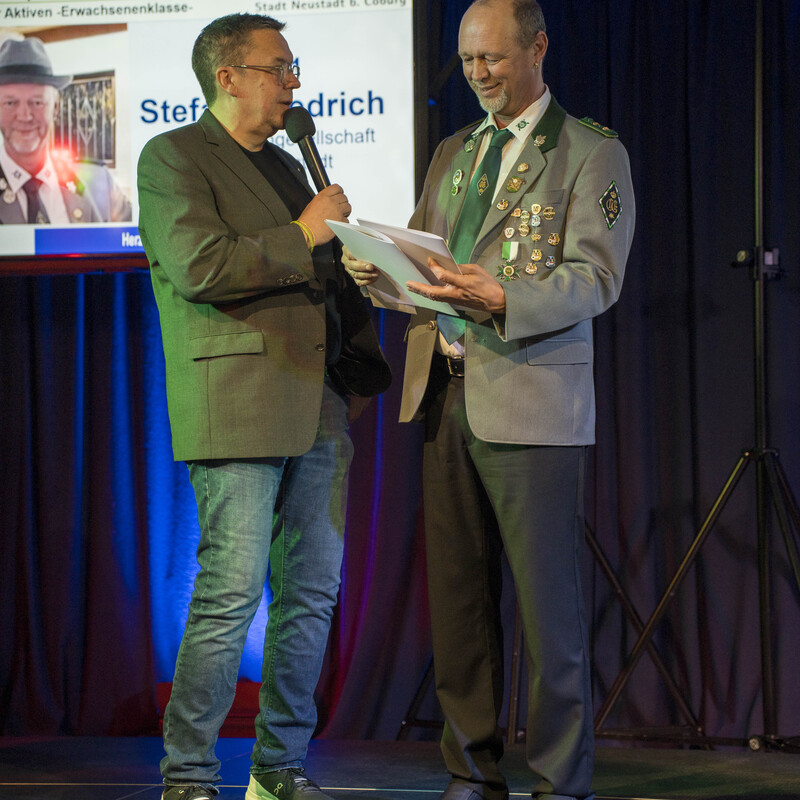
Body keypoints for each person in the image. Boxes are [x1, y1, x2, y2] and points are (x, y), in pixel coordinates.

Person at [345, 1, 634, 799]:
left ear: (538, 48)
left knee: (548, 611)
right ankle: (470, 771)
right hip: (444, 393)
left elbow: (597, 277)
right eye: (469, 60)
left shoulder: (589, 151)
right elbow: (426, 267)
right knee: (460, 603)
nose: (478, 75)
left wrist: (504, 296)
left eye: (493, 59)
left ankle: (559, 780)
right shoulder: (455, 151)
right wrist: (379, 273)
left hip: (531, 399)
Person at [137, 13, 390, 800]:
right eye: (279, 68)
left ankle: (279, 766)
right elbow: (199, 265)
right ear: (228, 76)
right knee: (230, 593)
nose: (294, 83)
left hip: (317, 403)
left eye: (293, 68)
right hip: (238, 402)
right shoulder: (174, 156)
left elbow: (315, 276)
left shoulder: (287, 166)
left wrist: (357, 273)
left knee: (311, 594)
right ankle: (189, 773)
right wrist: (304, 234)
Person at [0, 36, 131, 224]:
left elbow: (140, 238)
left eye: (37, 102)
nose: (25, 116)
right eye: (10, 103)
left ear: (55, 107)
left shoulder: (98, 183)